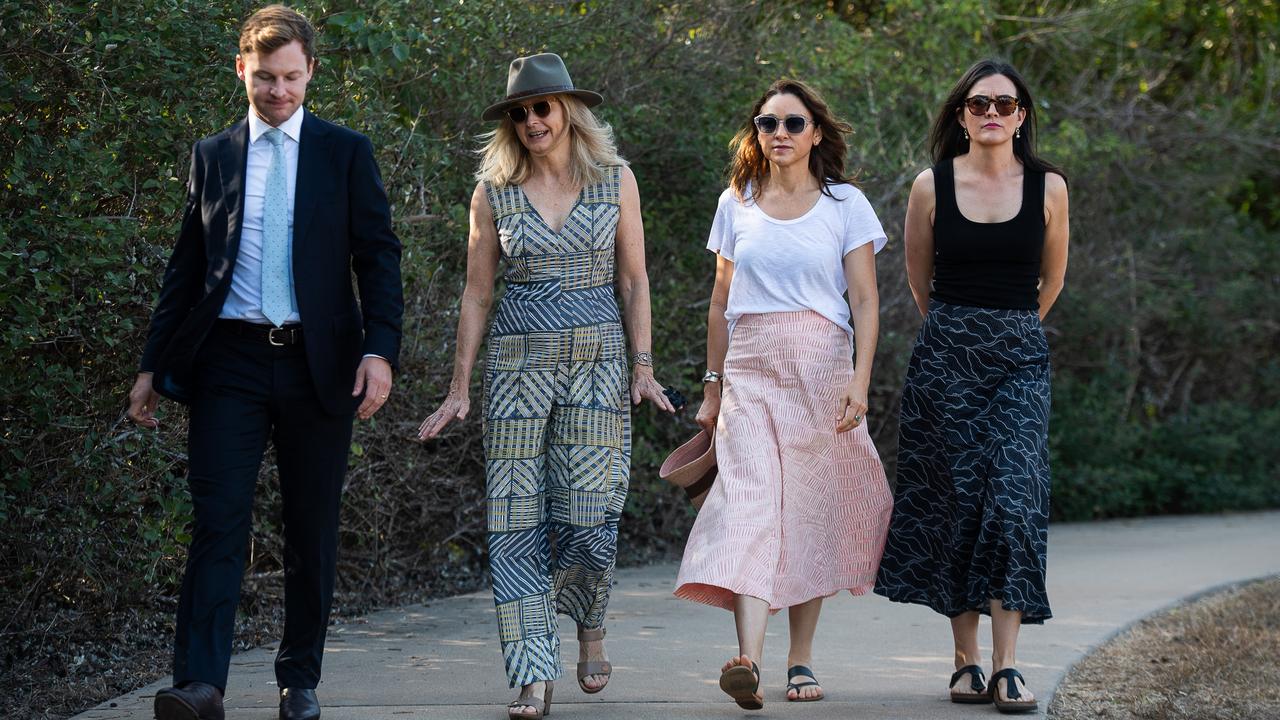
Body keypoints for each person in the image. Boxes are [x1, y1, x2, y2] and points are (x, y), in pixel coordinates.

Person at [125, 6, 403, 719]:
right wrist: (152, 365)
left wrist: (379, 352)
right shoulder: (213, 153)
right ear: (241, 70)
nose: (277, 91)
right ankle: (200, 685)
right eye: (264, 77)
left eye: (289, 77)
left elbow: (378, 259)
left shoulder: (345, 152)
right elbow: (186, 269)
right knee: (218, 521)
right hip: (230, 363)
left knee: (311, 527)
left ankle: (298, 679)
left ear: (311, 71)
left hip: (321, 366)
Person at [416, 53, 674, 720]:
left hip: (597, 361)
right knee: (515, 518)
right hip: (515, 367)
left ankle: (589, 624)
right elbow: (476, 296)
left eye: (542, 107)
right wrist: (459, 385)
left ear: (568, 112)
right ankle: (532, 671)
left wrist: (643, 366)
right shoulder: (492, 191)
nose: (531, 119)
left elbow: (634, 280)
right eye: (519, 111)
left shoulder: (616, 180)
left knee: (590, 511)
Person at [673, 78, 893, 710]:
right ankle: (749, 660)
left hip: (821, 370)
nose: (780, 134)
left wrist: (860, 380)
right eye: (768, 124)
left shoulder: (845, 204)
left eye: (794, 124)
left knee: (807, 512)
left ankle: (800, 660)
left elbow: (866, 300)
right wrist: (712, 389)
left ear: (815, 132)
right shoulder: (735, 201)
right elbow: (720, 303)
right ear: (757, 133)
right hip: (749, 370)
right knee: (747, 505)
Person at [873, 58, 1070, 715]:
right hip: (946, 357)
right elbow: (918, 277)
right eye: (979, 104)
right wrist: (961, 334)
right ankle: (965, 661)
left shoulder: (1050, 187)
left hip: (1018, 356)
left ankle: (1009, 664)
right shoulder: (931, 186)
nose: (992, 113)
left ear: (1021, 117)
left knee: (1012, 499)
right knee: (956, 503)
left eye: (1005, 105)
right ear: (961, 115)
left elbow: (1054, 280)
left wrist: (1008, 334)